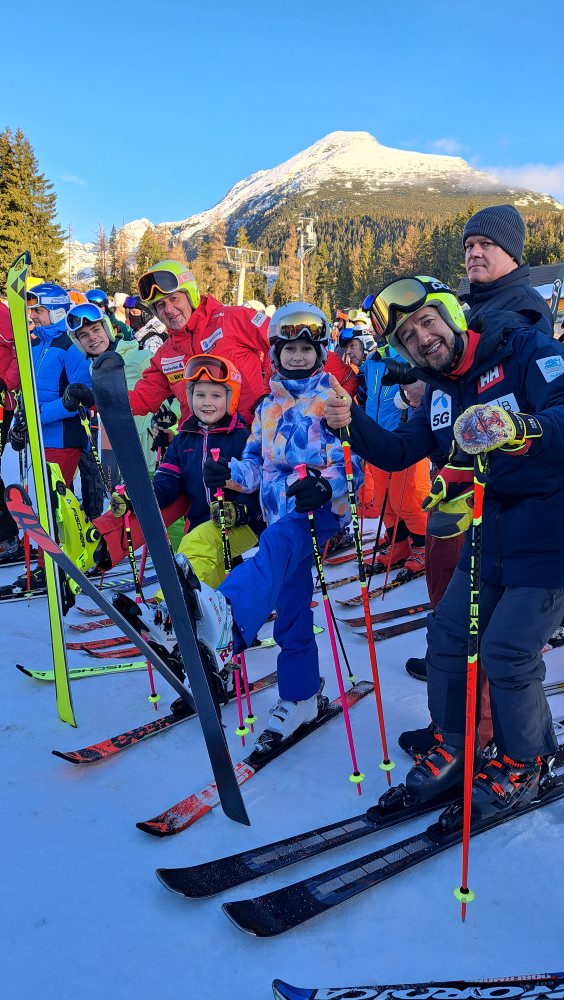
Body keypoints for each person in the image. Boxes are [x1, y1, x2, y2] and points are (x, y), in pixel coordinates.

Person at [324, 274, 564, 819]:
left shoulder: (522, 348)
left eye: (427, 322)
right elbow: (397, 450)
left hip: (551, 531)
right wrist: (351, 422)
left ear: (451, 315)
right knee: (449, 635)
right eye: (408, 336)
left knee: (507, 651)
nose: (423, 339)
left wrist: (519, 427)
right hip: (491, 532)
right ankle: (459, 743)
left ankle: (527, 762)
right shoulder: (440, 391)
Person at [180, 302, 363, 752]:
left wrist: (327, 484)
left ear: (320, 353)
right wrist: (229, 475)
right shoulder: (267, 406)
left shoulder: (334, 399)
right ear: (276, 354)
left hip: (321, 510)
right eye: (289, 349)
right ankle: (302, 696)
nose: (297, 357)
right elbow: (255, 467)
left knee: (277, 543)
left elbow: (354, 463)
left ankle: (228, 619)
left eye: (306, 349)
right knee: (291, 604)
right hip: (280, 513)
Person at [1, 284, 93, 593]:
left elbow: (78, 397)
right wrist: (20, 422)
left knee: (52, 504)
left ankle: (50, 567)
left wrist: (35, 418)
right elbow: (28, 391)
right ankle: (50, 559)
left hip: (64, 438)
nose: (33, 316)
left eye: (39, 310)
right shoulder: (36, 344)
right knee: (44, 503)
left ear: (56, 311)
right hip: (41, 437)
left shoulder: (71, 347)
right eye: (32, 311)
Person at [129, 260, 270, 426]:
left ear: (191, 296)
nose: (168, 309)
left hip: (248, 434)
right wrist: (104, 400)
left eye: (174, 299)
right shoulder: (166, 355)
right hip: (196, 439)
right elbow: (142, 399)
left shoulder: (233, 319)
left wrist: (271, 395)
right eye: (160, 305)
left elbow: (281, 342)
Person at [462, 204, 554, 337]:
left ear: (511, 253)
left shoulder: (527, 307)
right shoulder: (475, 308)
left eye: (486, 244)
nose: (474, 253)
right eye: (469, 246)